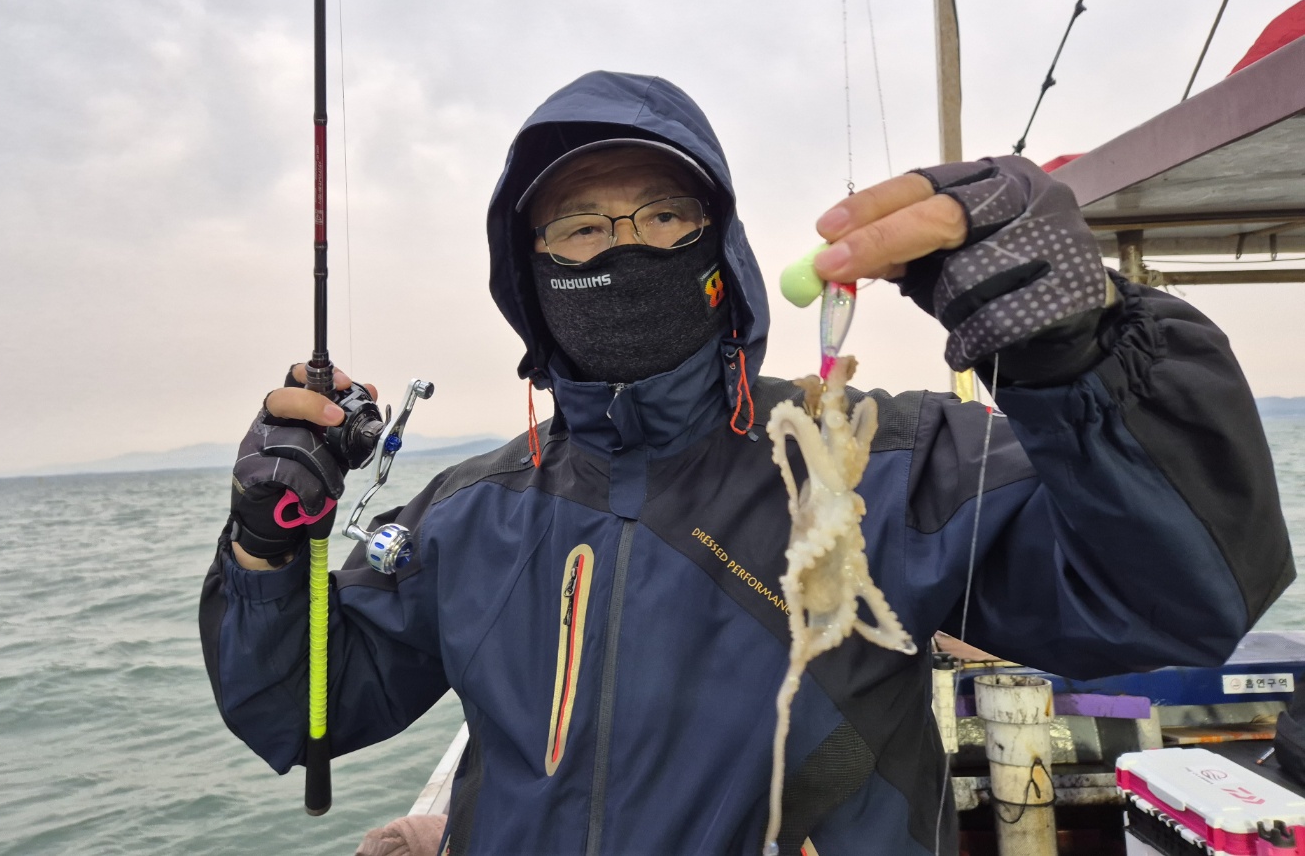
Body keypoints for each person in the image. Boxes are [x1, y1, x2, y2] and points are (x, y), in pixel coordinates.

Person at [201, 70, 1291, 855]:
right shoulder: (466, 514)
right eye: (578, 228)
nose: (623, 243)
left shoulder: (875, 460)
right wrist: (264, 543)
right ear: (530, 276)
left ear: (719, 251)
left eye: (663, 214)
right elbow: (304, 714)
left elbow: (1171, 603)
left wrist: (1080, 354)